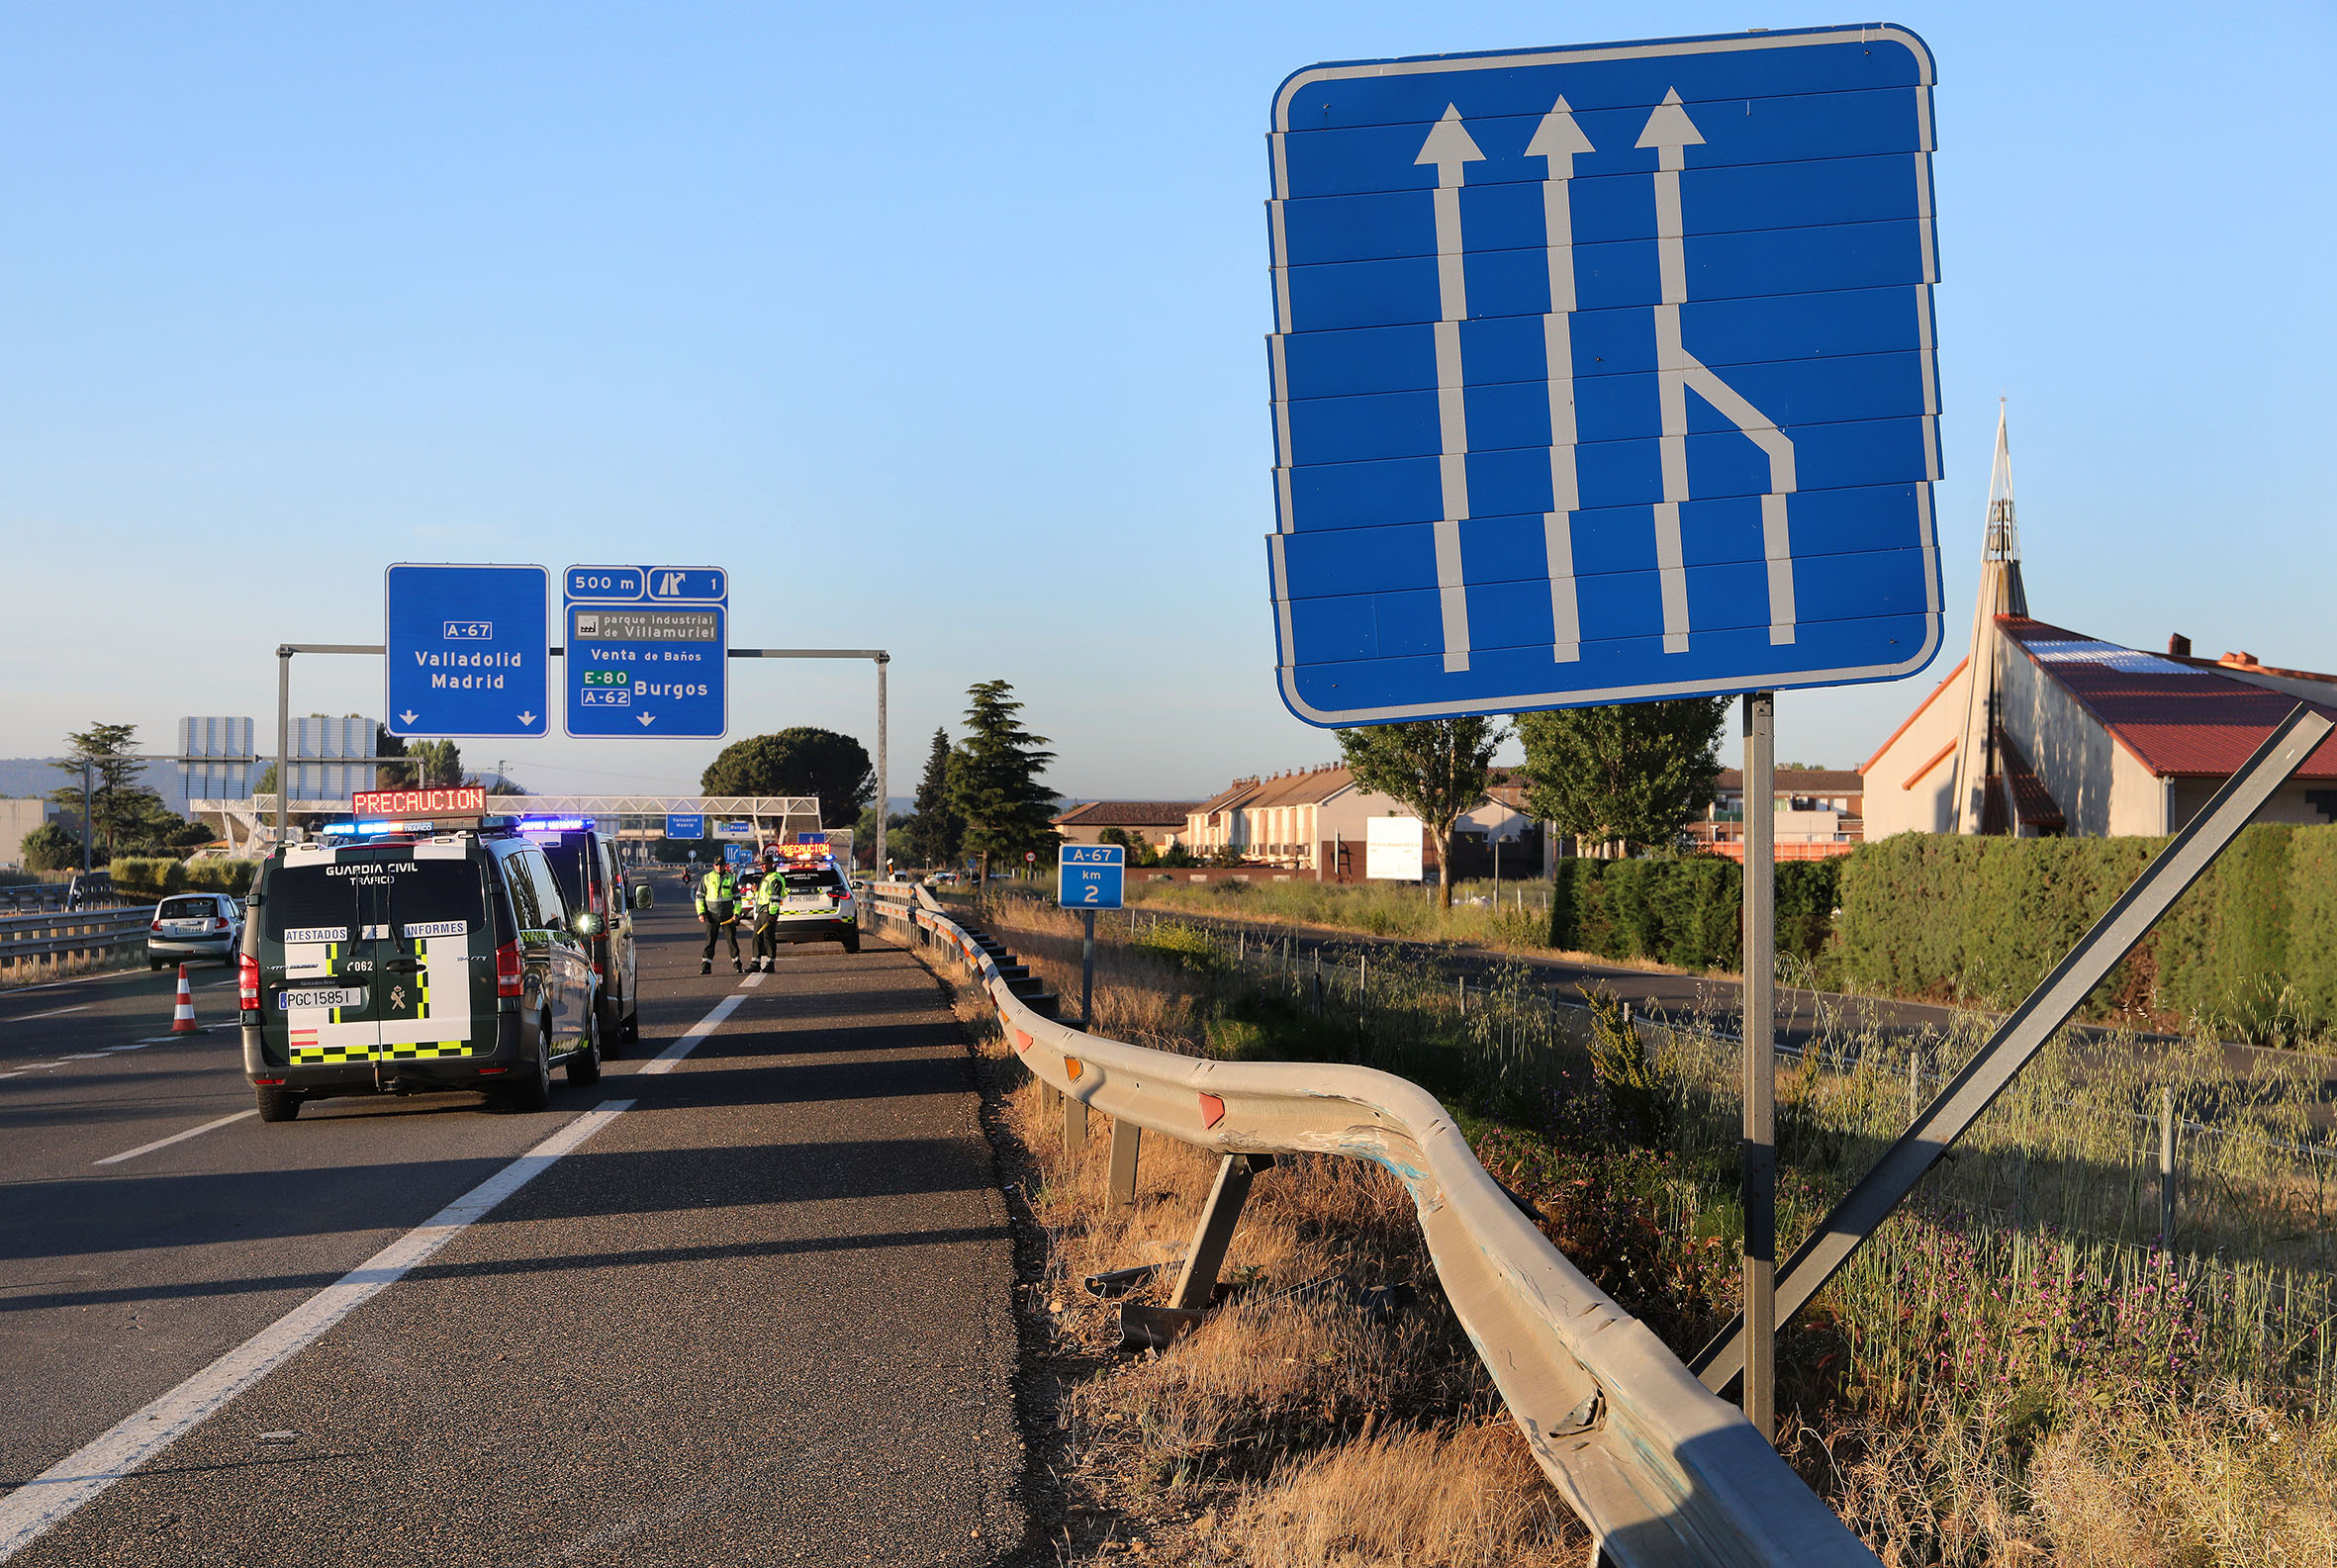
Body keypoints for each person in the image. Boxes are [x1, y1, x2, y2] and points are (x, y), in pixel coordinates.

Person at [696, 860, 742, 974]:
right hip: (712, 914)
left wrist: (736, 913)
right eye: (717, 865)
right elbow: (699, 897)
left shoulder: (731, 878)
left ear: (725, 866)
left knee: (731, 940)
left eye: (721, 865)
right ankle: (706, 965)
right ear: (713, 866)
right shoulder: (706, 878)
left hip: (727, 915)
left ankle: (737, 963)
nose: (719, 867)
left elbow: (737, 898)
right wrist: (701, 913)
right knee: (710, 940)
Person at [746, 871, 779, 972]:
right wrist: (756, 891)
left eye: (765, 864)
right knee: (757, 937)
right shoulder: (765, 877)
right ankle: (755, 963)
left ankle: (770, 963)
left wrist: (772, 914)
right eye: (762, 864)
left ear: (771, 864)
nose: (763, 866)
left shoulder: (774, 878)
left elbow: (775, 897)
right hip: (760, 912)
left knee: (768, 937)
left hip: (768, 911)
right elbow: (763, 896)